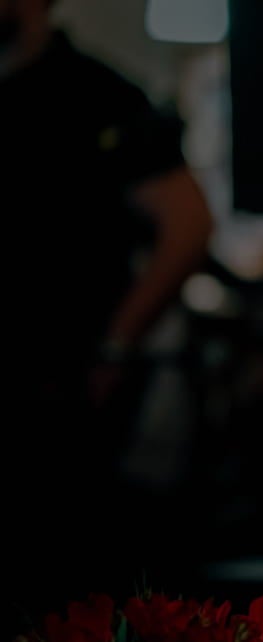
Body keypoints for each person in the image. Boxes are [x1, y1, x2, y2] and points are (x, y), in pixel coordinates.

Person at [0, 0, 214, 624]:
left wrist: (117, 344)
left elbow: (189, 225)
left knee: (56, 585)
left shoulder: (99, 95)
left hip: (58, 389)